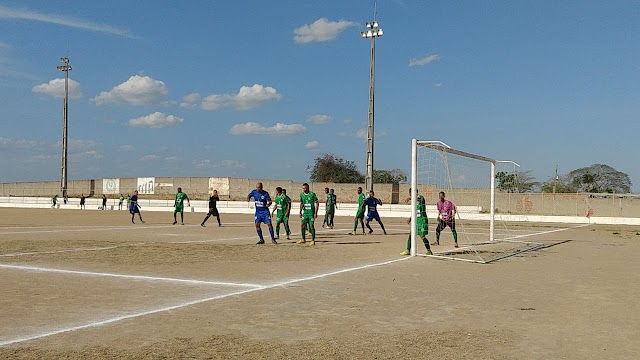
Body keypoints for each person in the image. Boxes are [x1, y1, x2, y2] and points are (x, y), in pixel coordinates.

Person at [401, 188, 432, 256]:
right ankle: (408, 250)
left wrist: (410, 198)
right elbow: (415, 212)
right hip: (416, 221)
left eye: (410, 193)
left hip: (422, 220)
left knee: (422, 236)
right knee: (410, 235)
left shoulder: (421, 197)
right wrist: (410, 218)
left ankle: (429, 250)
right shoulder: (414, 203)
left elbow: (419, 199)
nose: (409, 194)